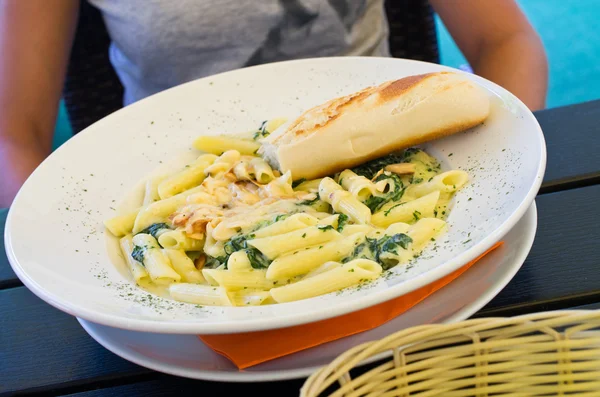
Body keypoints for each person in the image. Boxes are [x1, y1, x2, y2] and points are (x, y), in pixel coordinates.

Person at [0, 0, 547, 208]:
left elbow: (506, 42)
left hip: (395, 177)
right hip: (184, 186)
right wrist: (73, 248)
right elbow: (12, 132)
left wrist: (500, 181)